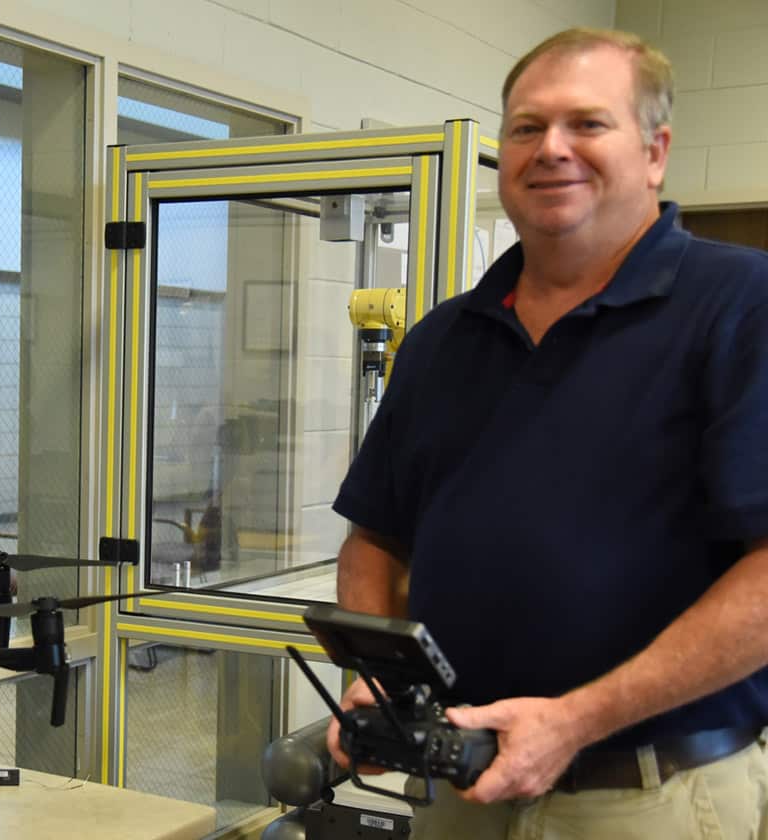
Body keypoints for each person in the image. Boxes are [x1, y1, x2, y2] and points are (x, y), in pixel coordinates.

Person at [326, 26, 768, 839]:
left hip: (647, 797)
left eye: (588, 124)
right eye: (526, 127)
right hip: (462, 790)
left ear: (655, 151)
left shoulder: (741, 306)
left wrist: (576, 719)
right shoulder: (442, 339)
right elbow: (375, 538)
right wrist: (383, 683)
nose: (551, 148)